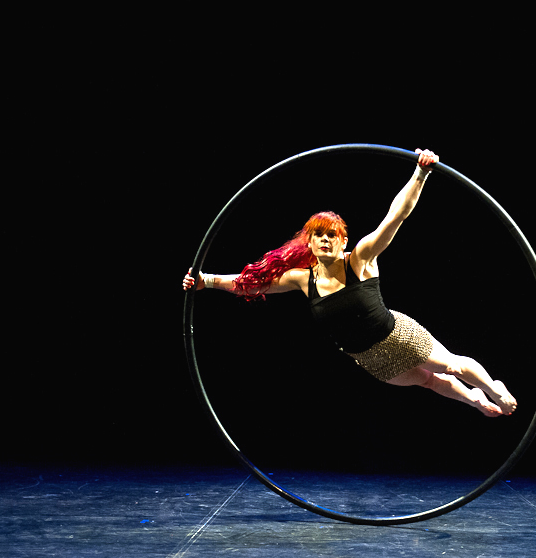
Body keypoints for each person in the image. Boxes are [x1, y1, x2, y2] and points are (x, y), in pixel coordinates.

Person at [182, 148, 516, 417]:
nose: (325, 240)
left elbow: (395, 217)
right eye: (318, 235)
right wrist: (205, 281)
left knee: (451, 365)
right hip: (369, 358)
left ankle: (493, 388)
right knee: (429, 382)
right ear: (310, 242)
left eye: (332, 235)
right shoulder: (302, 279)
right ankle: (474, 400)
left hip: (399, 336)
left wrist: (421, 173)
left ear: (343, 241)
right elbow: (251, 284)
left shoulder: (360, 259)